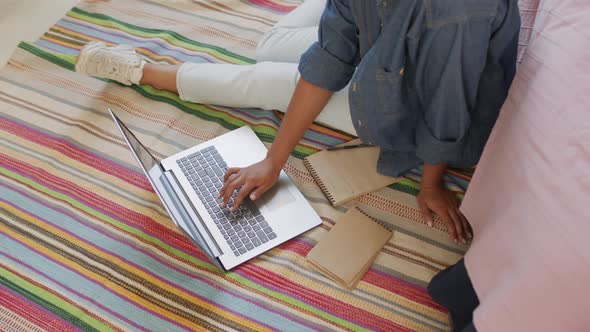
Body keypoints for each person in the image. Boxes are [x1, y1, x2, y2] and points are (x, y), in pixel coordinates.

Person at [76, 0, 521, 246]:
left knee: (265, 80)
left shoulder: (460, 11)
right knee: (269, 46)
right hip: (385, 47)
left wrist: (430, 183)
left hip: (409, 97)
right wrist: (274, 160)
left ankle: (142, 70)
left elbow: (449, 102)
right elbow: (329, 57)